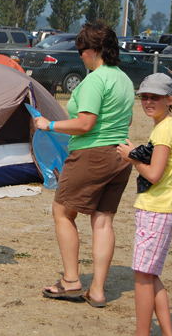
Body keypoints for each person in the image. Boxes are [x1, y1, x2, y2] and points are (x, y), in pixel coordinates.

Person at [34, 21, 134, 307]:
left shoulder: (95, 80)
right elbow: (123, 121)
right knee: (103, 220)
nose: (79, 55)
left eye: (82, 50)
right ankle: (98, 290)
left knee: (62, 211)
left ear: (95, 50)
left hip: (92, 154)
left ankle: (70, 281)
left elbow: (86, 123)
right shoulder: (125, 81)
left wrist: (48, 124)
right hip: (119, 156)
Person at [117, 73, 172, 336]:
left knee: (142, 278)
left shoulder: (165, 129)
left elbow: (154, 174)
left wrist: (131, 157)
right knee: (151, 276)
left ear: (170, 99)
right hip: (160, 208)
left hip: (156, 209)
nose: (148, 101)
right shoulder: (166, 125)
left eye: (155, 97)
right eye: (144, 97)